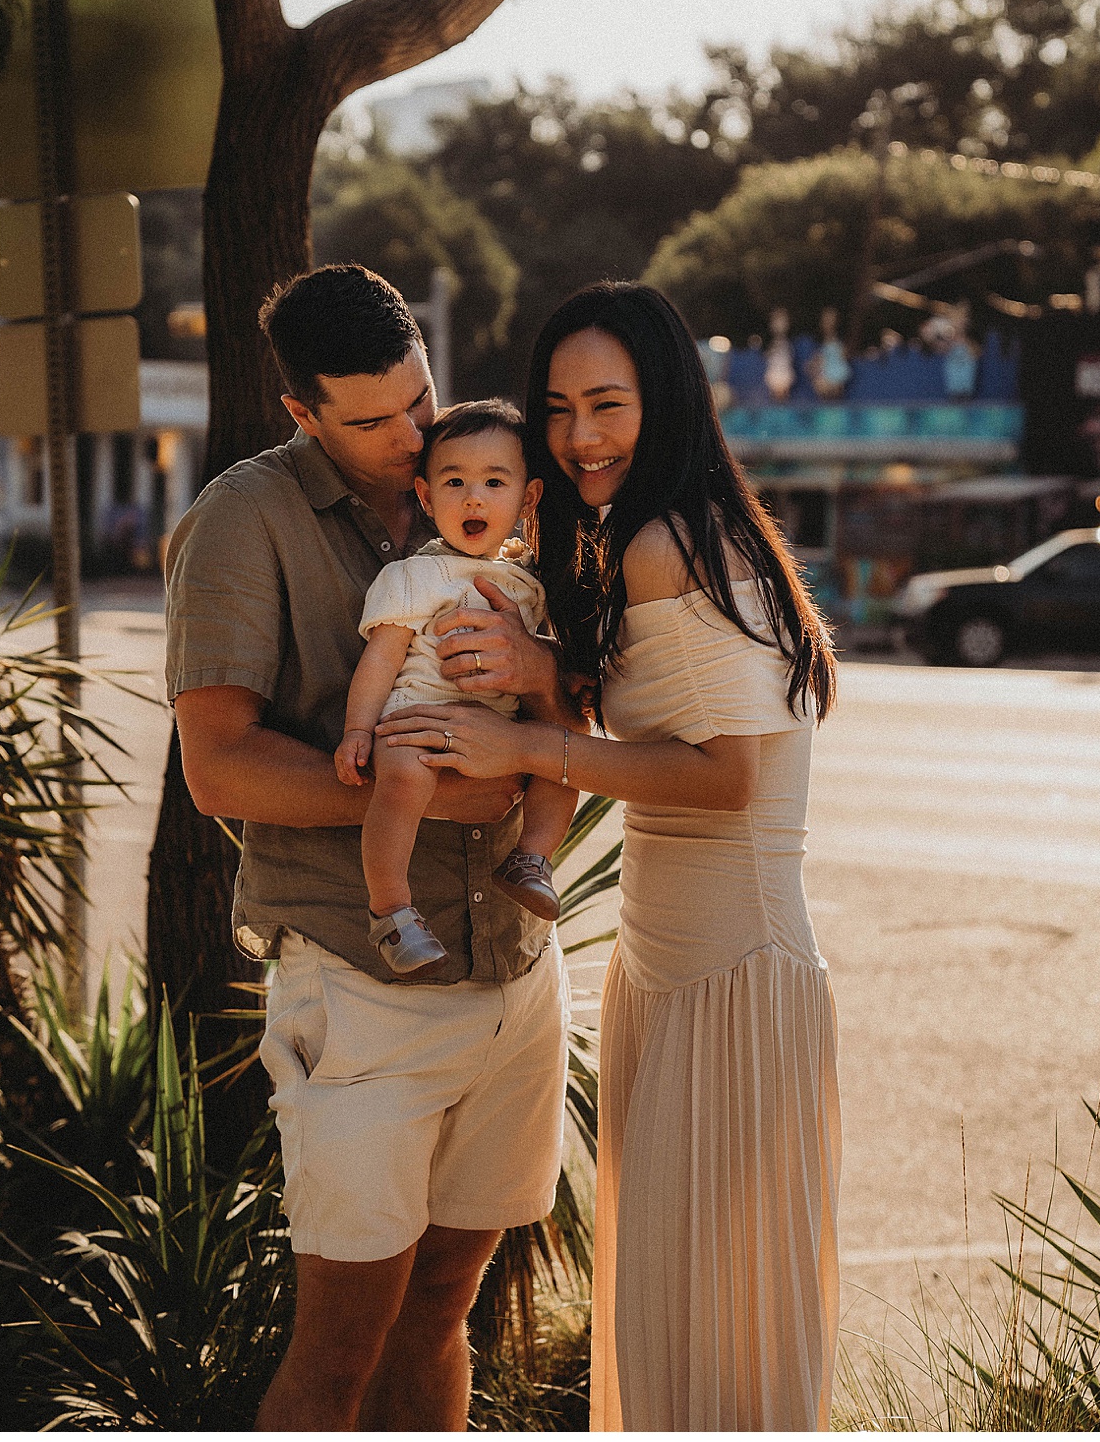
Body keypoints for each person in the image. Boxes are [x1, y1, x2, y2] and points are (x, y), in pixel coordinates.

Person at [377, 281, 842, 1432]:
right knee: (683, 1329)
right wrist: (544, 671)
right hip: (672, 967)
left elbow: (727, 775)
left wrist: (524, 738)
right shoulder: (651, 531)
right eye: (559, 408)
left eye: (608, 404)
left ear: (665, 398)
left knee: (718, 1346)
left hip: (731, 971)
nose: (581, 435)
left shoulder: (671, 538)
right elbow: (657, 716)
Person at [163, 264, 580, 1431]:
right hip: (364, 985)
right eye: (372, 418)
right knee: (341, 1343)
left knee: (442, 1311)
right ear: (302, 413)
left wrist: (542, 685)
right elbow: (220, 767)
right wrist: (427, 797)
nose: (412, 434)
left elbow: (585, 671)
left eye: (418, 396)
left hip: (512, 969)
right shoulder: (242, 522)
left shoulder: (478, 473)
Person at [336, 399, 578, 973]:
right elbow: (380, 659)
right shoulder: (415, 576)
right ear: (425, 496)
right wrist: (357, 731)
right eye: (455, 482)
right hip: (417, 719)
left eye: (495, 481)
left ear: (529, 498)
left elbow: (543, 669)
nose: (474, 497)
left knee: (566, 755)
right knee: (398, 781)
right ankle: (392, 910)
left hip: (497, 732)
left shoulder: (527, 587)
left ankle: (531, 857)